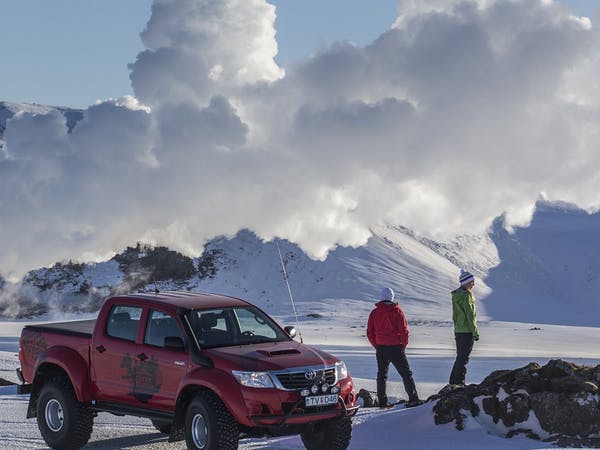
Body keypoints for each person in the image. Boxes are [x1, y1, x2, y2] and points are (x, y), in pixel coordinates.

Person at [367, 287, 423, 408]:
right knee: (406, 373)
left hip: (381, 348)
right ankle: (413, 398)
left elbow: (370, 333)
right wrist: (403, 345)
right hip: (395, 347)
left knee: (381, 375)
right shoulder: (397, 311)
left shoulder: (375, 313)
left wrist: (377, 345)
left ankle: (382, 402)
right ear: (392, 298)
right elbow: (404, 331)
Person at [449, 269, 478, 386]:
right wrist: (475, 332)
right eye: (472, 282)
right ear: (465, 282)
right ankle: (459, 383)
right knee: (463, 359)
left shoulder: (456, 295)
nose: (473, 284)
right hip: (467, 331)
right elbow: (470, 315)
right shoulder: (466, 296)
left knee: (459, 358)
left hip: (458, 331)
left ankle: (452, 382)